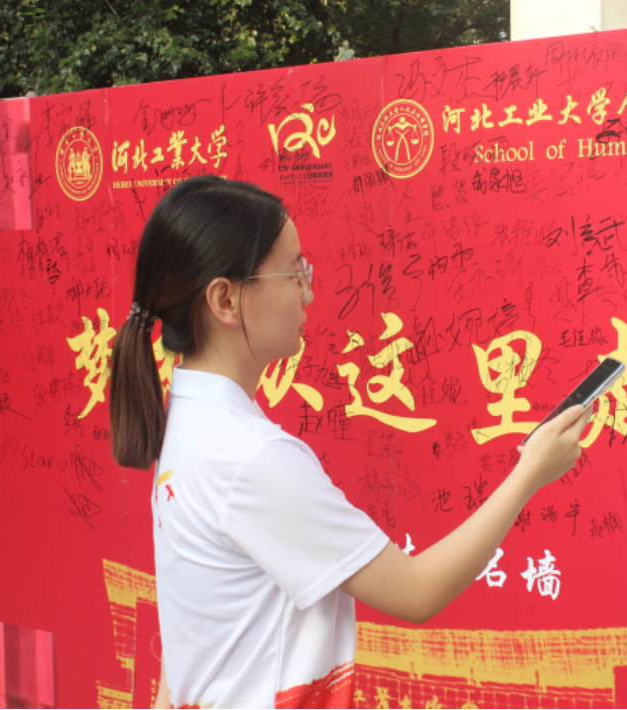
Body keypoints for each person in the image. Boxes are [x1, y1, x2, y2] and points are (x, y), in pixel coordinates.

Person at [109, 176, 592, 709]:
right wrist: (530, 473)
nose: (308, 291)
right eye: (293, 272)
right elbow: (415, 591)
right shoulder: (251, 458)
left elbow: (187, 645)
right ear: (226, 299)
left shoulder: (189, 421)